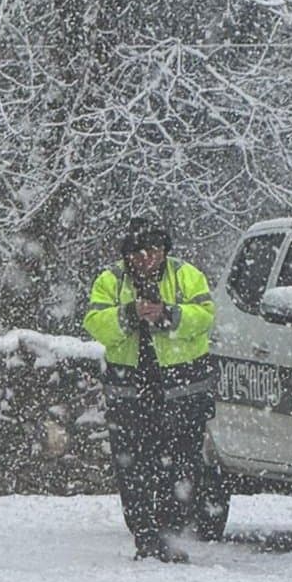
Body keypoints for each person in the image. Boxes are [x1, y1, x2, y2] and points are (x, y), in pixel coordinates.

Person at [83, 217, 216, 563]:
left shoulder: (187, 275)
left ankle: (171, 534)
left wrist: (169, 316)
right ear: (127, 255)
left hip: (184, 394)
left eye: (153, 250)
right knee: (134, 470)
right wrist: (129, 315)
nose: (146, 258)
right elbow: (96, 323)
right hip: (131, 395)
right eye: (138, 252)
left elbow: (205, 316)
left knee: (182, 468)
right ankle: (145, 536)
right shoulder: (110, 281)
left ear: (164, 251)